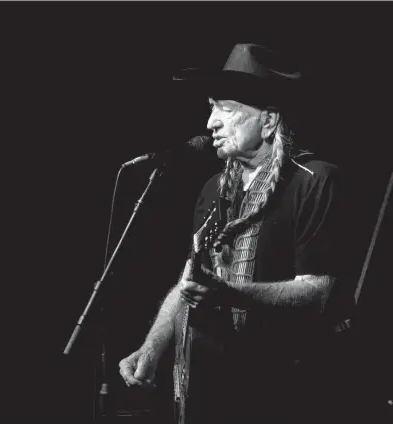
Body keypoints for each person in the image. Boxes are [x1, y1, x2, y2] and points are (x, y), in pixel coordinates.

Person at [119, 43, 351, 424]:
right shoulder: (213, 190)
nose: (210, 122)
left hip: (291, 388)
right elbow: (189, 283)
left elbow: (318, 290)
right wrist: (151, 348)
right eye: (211, 107)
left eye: (225, 109)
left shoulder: (315, 180)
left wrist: (229, 294)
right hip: (222, 387)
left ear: (269, 120)